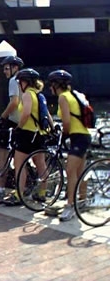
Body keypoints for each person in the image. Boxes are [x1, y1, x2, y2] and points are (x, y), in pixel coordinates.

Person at [4, 68, 53, 206]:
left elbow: (25, 114)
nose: (19, 84)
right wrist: (53, 127)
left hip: (27, 133)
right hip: (40, 134)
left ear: (25, 82)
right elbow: (47, 115)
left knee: (20, 165)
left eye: (20, 81)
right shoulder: (39, 95)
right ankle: (42, 193)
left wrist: (19, 127)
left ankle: (19, 195)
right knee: (41, 164)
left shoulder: (26, 95)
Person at [48, 70, 92, 221]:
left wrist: (64, 135)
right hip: (84, 135)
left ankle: (70, 207)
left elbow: (66, 122)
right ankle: (82, 201)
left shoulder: (63, 97)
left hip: (77, 136)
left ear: (56, 85)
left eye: (51, 84)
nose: (50, 88)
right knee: (79, 171)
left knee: (70, 170)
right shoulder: (75, 94)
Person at [0, 56, 24, 201]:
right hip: (25, 122)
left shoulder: (14, 81)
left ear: (15, 68)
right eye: (3, 68)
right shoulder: (24, 81)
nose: (4, 71)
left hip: (14, 121)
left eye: (7, 68)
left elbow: (14, 102)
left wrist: (3, 117)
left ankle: (0, 188)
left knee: (3, 153)